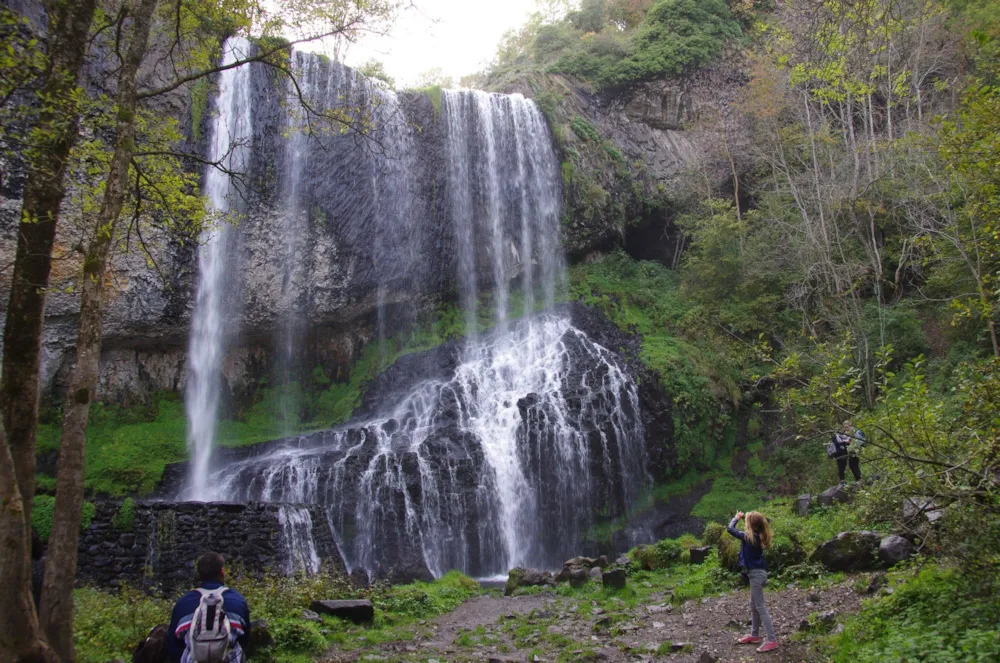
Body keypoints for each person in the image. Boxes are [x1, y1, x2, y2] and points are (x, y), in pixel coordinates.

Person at [167, 552, 251, 663]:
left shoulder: (183, 603)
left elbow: (173, 646)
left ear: (199, 574)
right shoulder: (237, 600)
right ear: (222, 571)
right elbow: (245, 639)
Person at [727, 511, 778, 653]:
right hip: (756, 573)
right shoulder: (758, 536)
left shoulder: (748, 537)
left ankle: (772, 640)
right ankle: (755, 635)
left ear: (750, 525)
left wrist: (736, 518)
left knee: (760, 607)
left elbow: (730, 529)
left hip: (756, 575)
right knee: (754, 605)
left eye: (747, 521)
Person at [834, 420, 862, 486]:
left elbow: (858, 441)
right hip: (850, 451)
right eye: (845, 427)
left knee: (854, 465)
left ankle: (859, 479)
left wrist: (850, 442)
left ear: (850, 425)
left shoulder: (854, 432)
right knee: (852, 465)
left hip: (855, 451)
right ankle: (858, 479)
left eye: (847, 427)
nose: (846, 428)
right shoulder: (846, 433)